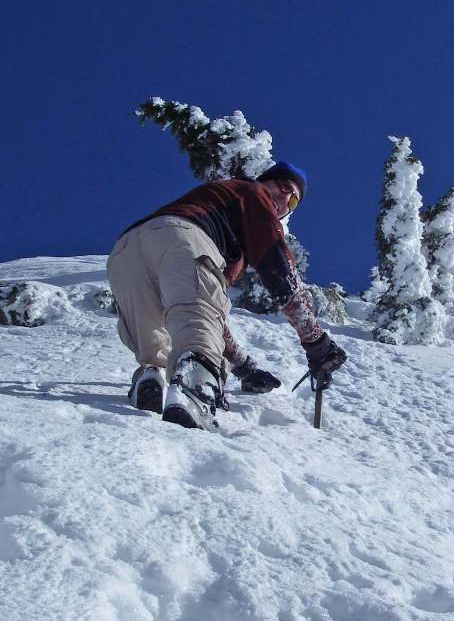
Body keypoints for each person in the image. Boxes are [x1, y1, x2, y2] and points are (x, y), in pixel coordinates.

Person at [106, 162, 347, 430]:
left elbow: (209, 308)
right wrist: (315, 341)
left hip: (125, 252)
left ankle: (152, 376)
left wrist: (245, 367)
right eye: (284, 188)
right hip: (184, 237)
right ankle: (194, 391)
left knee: (152, 336)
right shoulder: (252, 193)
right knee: (196, 324)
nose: (284, 201)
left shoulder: (227, 208)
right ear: (265, 181)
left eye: (292, 203)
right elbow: (279, 267)